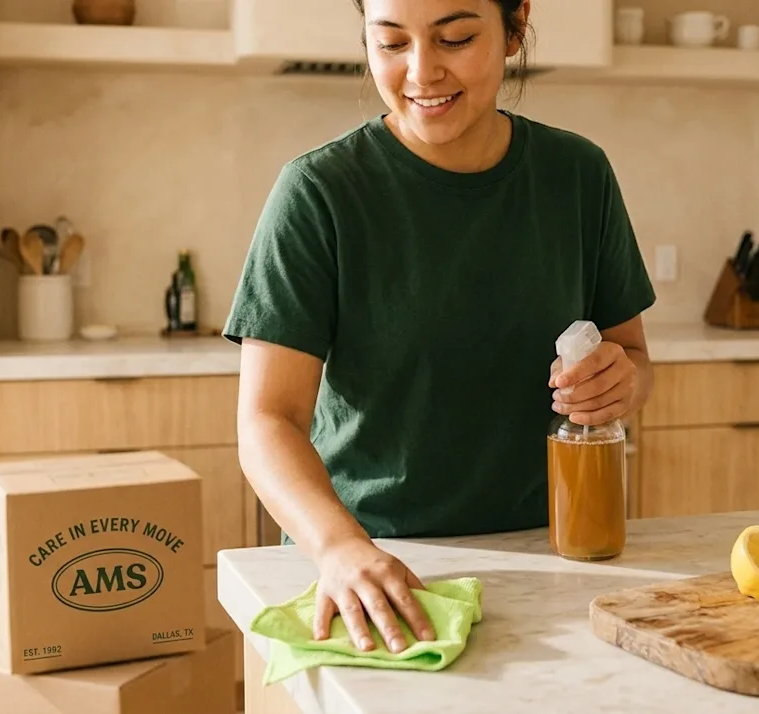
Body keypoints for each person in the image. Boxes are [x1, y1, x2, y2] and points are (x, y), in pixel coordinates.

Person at [224, 0, 657, 657]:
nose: (421, 71)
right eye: (391, 43)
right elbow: (266, 421)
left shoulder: (578, 176)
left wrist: (622, 383)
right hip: (376, 565)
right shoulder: (318, 192)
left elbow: (635, 358)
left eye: (455, 38)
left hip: (551, 557)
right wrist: (341, 549)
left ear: (515, 29)